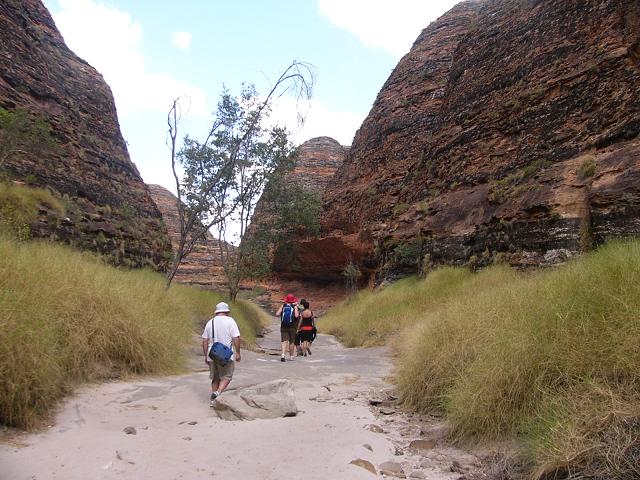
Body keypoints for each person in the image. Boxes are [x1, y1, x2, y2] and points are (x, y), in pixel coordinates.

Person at [201, 302, 241, 407]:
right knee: (227, 376)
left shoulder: (210, 322)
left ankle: (213, 402)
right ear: (227, 311)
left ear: (217, 311)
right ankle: (217, 392)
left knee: (215, 378)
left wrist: (206, 355)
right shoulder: (230, 321)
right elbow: (236, 338)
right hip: (225, 355)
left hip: (212, 354)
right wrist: (238, 353)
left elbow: (205, 340)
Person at [276, 294, 299, 362]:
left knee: (284, 341)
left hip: (283, 326)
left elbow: (277, 314)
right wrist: (296, 307)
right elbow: (296, 315)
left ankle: (283, 355)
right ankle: (291, 356)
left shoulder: (283, 306)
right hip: (292, 327)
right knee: (291, 342)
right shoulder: (294, 306)